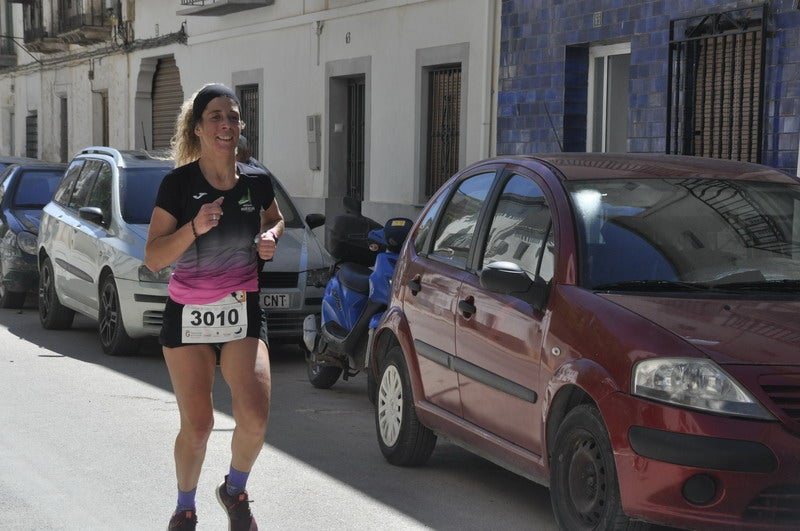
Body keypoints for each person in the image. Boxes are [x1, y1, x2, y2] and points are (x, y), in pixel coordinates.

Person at [144, 83, 284, 531]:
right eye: (216, 117)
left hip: (241, 308)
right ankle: (185, 507)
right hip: (188, 314)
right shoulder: (178, 185)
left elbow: (275, 218)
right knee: (199, 425)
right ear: (199, 129)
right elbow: (153, 257)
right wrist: (194, 227)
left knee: (255, 417)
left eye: (234, 117)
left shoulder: (257, 182)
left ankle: (234, 489)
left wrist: (270, 239)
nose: (227, 125)